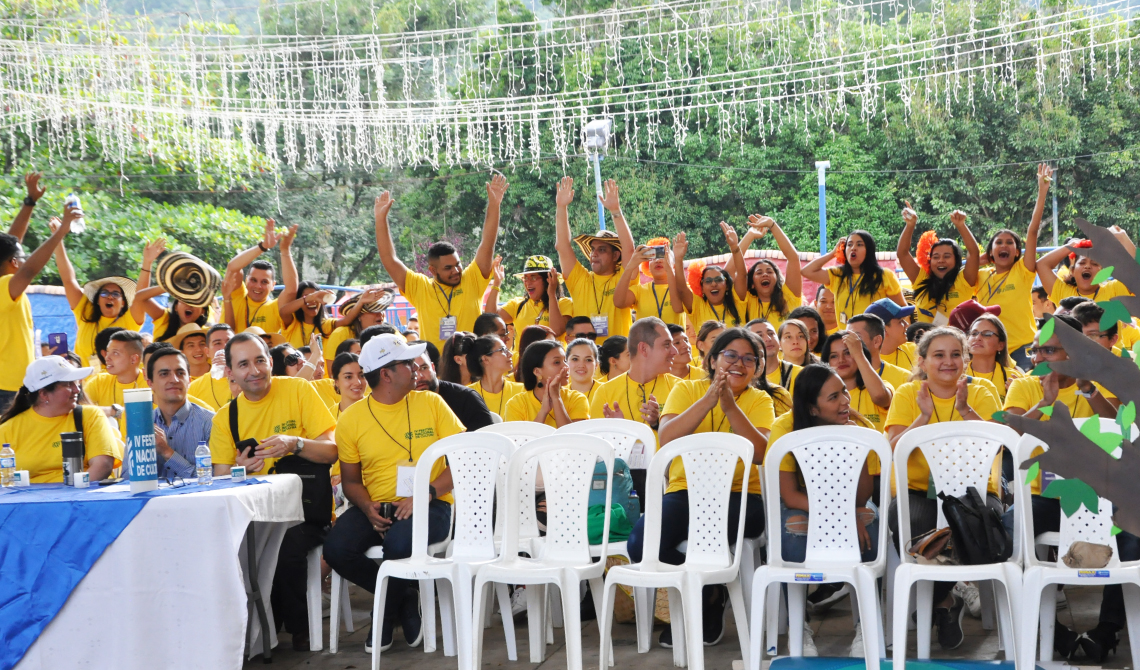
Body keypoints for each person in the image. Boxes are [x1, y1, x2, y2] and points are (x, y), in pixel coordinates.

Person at [1002, 313, 1129, 662]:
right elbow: (1009, 441)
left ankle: (1107, 629)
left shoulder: (1103, 381)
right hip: (1045, 496)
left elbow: (1120, 431)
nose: (1039, 358)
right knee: (1009, 531)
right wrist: (1044, 404)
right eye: (1036, 350)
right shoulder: (1025, 385)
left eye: (1049, 350)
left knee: (1134, 536)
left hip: (1104, 497)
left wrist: (1087, 390)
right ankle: (1055, 633)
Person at [322, 334, 460, 652]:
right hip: (376, 505)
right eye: (408, 363)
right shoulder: (351, 418)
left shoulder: (432, 403)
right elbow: (351, 481)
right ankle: (405, 597)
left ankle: (383, 614)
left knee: (398, 544)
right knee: (337, 549)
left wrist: (426, 492)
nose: (416, 368)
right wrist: (367, 506)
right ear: (386, 374)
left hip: (433, 503)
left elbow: (461, 461)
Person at [641, 327, 773, 647]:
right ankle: (711, 592)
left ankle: (701, 603)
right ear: (713, 360)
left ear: (757, 368)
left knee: (706, 540)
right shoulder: (687, 389)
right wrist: (710, 398)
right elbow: (667, 437)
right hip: (686, 492)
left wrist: (729, 407)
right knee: (640, 546)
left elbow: (759, 452)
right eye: (730, 355)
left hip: (740, 497)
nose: (738, 363)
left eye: (749, 359)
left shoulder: (760, 399)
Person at [208, 332, 338, 651]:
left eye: (260, 360)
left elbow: (332, 452)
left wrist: (296, 444)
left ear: (269, 361)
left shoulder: (297, 389)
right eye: (243, 364)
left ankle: (296, 628)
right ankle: (248, 633)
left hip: (306, 510)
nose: (254, 370)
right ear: (231, 373)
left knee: (286, 543)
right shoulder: (228, 417)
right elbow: (220, 474)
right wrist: (242, 467)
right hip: (254, 515)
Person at [884, 327, 1002, 651]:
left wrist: (966, 412)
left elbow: (1001, 445)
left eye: (955, 354)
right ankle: (948, 598)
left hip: (974, 496)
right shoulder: (908, 394)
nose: (948, 361)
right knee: (917, 525)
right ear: (922, 361)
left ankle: (938, 601)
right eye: (939, 354)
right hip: (920, 492)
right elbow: (891, 450)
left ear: (965, 359)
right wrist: (921, 418)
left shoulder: (983, 390)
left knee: (976, 527)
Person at [766, 363, 880, 655]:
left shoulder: (860, 427)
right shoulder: (785, 428)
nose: (845, 401)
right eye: (833, 397)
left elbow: (863, 496)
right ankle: (798, 624)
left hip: (850, 504)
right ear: (812, 409)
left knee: (870, 532)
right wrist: (838, 515)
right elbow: (790, 495)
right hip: (805, 504)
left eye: (844, 391)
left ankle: (866, 627)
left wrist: (859, 446)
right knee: (793, 534)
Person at [374, 176, 507, 350]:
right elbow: (389, 259)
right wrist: (380, 219)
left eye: (457, 264)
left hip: (471, 363)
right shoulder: (420, 287)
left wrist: (494, 205)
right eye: (448, 268)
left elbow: (487, 244)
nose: (456, 270)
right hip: (437, 368)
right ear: (432, 270)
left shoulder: (472, 279)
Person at [0, 191, 75, 410]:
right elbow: (29, 269)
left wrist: (30, 201)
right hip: (7, 388)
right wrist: (61, 231)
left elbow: (10, 243)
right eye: (22, 257)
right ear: (14, 263)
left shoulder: (4, 283)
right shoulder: (5, 287)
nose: (26, 260)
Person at [975, 164, 1050, 368]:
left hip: (1023, 349)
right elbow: (963, 268)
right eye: (998, 243)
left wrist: (1042, 191)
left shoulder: (1023, 271)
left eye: (1010, 243)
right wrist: (984, 259)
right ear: (990, 251)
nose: (1004, 245)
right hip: (992, 351)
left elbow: (1032, 231)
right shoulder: (982, 276)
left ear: (1017, 252)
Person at [0, 356, 118, 482]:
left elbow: (102, 466)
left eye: (76, 382)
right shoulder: (8, 429)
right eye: (68, 384)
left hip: (82, 496)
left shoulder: (90, 416)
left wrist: (70, 498)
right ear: (44, 394)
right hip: (27, 499)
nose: (77, 389)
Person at [555, 177, 634, 344]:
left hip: (619, 360)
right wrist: (561, 207)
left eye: (602, 249)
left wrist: (615, 210)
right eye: (593, 249)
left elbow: (629, 250)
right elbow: (562, 246)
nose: (594, 254)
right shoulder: (581, 279)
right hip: (585, 360)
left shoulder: (623, 278)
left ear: (615, 256)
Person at [52, 222, 141, 366]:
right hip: (84, 386)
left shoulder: (130, 321)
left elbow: (142, 295)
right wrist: (58, 238)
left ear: (123, 302)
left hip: (118, 385)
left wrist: (148, 263)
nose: (110, 296)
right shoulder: (85, 313)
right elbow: (68, 280)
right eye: (104, 293)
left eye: (116, 294)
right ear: (97, 300)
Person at [803, 230, 906, 329]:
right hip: (846, 339)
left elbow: (902, 309)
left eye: (859, 244)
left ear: (869, 250)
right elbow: (806, 271)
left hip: (874, 341)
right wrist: (833, 253)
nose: (853, 248)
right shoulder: (838, 275)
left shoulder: (884, 276)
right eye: (849, 245)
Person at [897, 206, 980, 324]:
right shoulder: (921, 280)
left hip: (957, 342)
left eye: (947, 256)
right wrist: (910, 225)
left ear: (956, 260)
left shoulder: (964, 280)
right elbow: (902, 254)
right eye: (935, 257)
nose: (941, 260)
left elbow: (974, 253)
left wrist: (961, 225)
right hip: (925, 342)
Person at [146, 348, 214, 481]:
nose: (174, 379)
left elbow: (214, 480)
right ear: (150, 383)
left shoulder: (210, 422)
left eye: (180, 373)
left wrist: (167, 452)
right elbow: (127, 480)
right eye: (164, 374)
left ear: (189, 380)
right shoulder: (141, 424)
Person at [729, 215, 803, 329]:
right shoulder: (746, 299)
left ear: (777, 278)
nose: (764, 274)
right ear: (752, 284)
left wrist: (772, 225)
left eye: (769, 271)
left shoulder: (788, 296)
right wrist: (749, 236)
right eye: (759, 273)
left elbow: (793, 258)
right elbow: (728, 274)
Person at [132, 238, 213, 342]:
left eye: (195, 302)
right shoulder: (164, 320)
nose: (189, 305)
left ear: (203, 311)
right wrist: (171, 285)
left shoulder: (208, 334)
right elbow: (140, 297)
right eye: (185, 300)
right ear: (175, 307)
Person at [671, 225, 748, 329]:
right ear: (701, 287)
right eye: (708, 281)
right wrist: (678, 259)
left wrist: (735, 247)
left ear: (727, 286)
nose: (713, 284)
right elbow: (681, 289)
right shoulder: (698, 306)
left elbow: (742, 275)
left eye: (718, 279)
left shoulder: (737, 300)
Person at [222, 219, 290, 334]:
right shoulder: (237, 294)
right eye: (253, 280)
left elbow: (292, 289)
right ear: (246, 279)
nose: (258, 286)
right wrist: (263, 246)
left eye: (264, 282)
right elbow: (233, 267)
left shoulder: (275, 307)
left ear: (273, 285)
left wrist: (285, 250)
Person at [503, 339, 589, 426]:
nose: (566, 367)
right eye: (557, 362)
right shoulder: (516, 404)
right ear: (537, 372)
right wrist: (543, 412)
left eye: (565, 361)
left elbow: (570, 437)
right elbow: (523, 439)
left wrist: (556, 398)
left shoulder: (577, 398)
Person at [820, 331, 894, 432]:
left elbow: (880, 396)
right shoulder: (820, 394)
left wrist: (858, 354)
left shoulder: (881, 385)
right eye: (834, 356)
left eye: (848, 353)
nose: (841, 360)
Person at [486, 255, 570, 341]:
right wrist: (497, 283)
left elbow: (556, 331)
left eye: (533, 277)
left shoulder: (564, 303)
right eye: (525, 278)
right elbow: (490, 318)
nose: (528, 282)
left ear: (548, 279)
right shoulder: (517, 304)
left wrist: (551, 294)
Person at [412, 352, 495, 432]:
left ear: (433, 368)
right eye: (413, 371)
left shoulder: (467, 398)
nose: (419, 376)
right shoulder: (401, 403)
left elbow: (487, 441)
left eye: (424, 368)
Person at [85, 330, 147, 436]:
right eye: (108, 352)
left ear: (134, 359)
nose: (107, 358)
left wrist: (116, 412)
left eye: (115, 353)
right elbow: (78, 409)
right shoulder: (99, 381)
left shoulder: (151, 384)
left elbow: (148, 418)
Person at [615, 239, 685, 328]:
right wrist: (631, 265)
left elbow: (678, 308)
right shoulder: (640, 290)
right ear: (648, 266)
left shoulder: (683, 289)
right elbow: (618, 302)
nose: (658, 260)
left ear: (674, 265)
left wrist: (670, 271)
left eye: (663, 256)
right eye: (653, 257)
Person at [325, 288, 394, 372]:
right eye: (374, 310)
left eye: (382, 310)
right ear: (359, 316)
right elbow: (332, 374)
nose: (380, 314)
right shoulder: (340, 334)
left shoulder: (390, 333)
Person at [965, 314, 1024, 403]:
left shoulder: (1014, 378)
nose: (978, 338)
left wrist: (1021, 398)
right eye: (974, 333)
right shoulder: (956, 376)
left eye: (987, 334)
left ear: (1000, 345)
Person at [846, 314, 911, 391]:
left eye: (856, 337)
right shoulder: (840, 377)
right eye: (846, 336)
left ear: (877, 341)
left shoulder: (904, 378)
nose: (848, 342)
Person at [465, 335, 523, 418]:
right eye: (503, 350)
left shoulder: (521, 391)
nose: (510, 354)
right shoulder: (467, 395)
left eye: (508, 350)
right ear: (485, 359)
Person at [188, 324, 234, 410]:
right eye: (217, 343)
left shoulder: (250, 379)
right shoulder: (194, 388)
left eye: (229, 342)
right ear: (207, 351)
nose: (225, 347)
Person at [748, 318, 800, 394]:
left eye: (771, 334)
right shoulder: (743, 378)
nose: (768, 339)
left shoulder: (800, 374)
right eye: (760, 335)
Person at [865, 299, 918, 370]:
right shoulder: (864, 363)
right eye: (900, 321)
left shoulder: (915, 350)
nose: (907, 324)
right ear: (883, 331)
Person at [328, 352, 367, 418]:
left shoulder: (379, 409)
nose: (357, 382)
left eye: (361, 375)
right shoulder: (329, 417)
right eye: (348, 377)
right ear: (336, 381)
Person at [565, 338, 602, 402]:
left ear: (596, 365)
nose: (581, 365)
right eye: (575, 359)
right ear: (566, 363)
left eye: (588, 360)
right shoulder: (559, 394)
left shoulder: (608, 391)